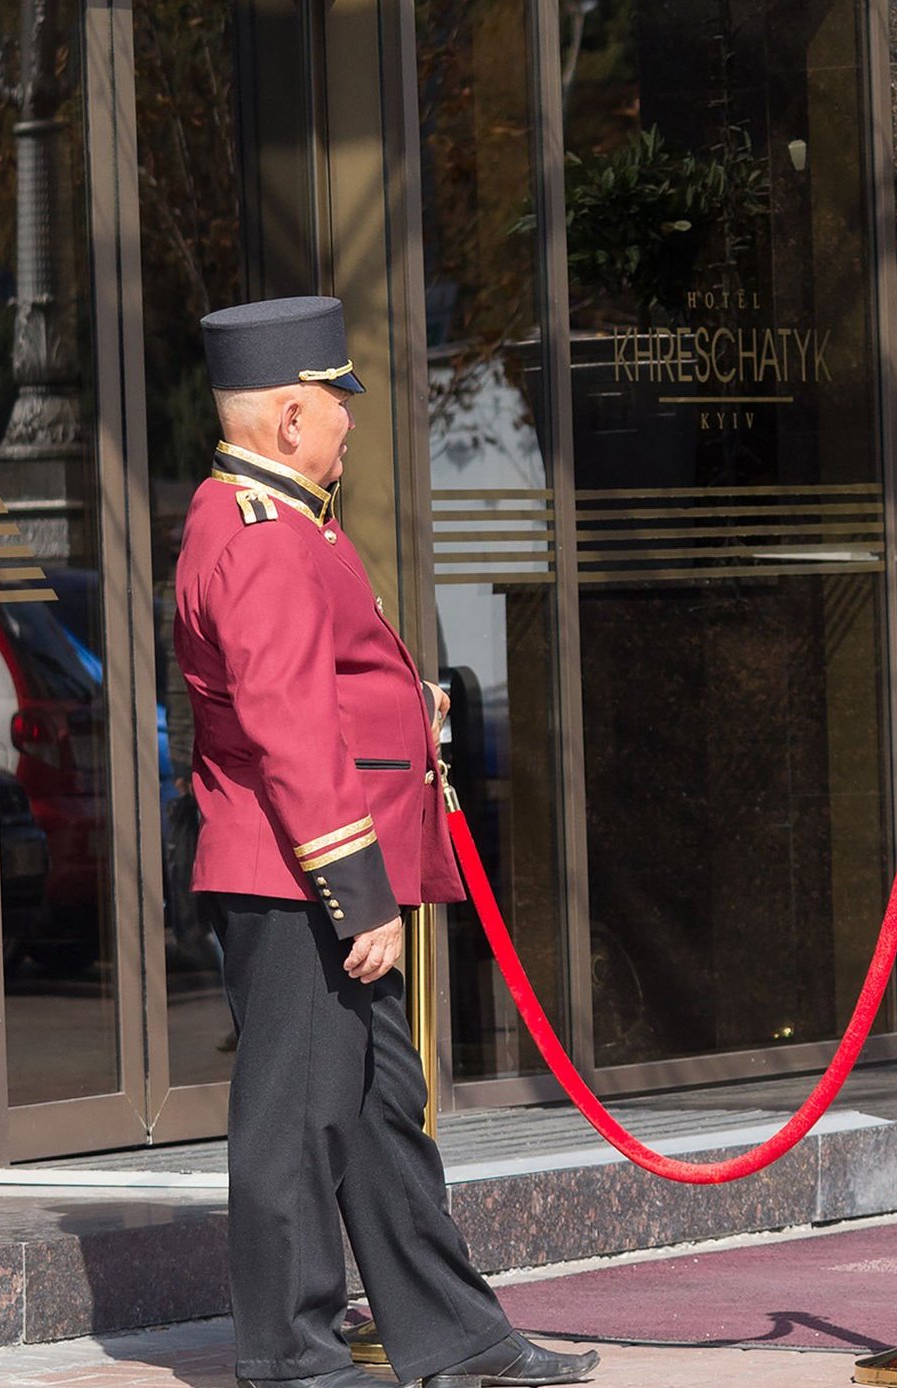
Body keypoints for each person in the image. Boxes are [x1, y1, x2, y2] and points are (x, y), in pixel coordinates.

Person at [172, 295, 602, 1388]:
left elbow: (322, 694)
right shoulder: (263, 534)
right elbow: (287, 722)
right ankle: (291, 1357)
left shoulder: (274, 515)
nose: (348, 423)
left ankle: (455, 1335)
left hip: (299, 864)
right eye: (334, 404)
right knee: (298, 1127)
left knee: (375, 1119)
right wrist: (357, 893)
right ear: (284, 417)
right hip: (297, 874)